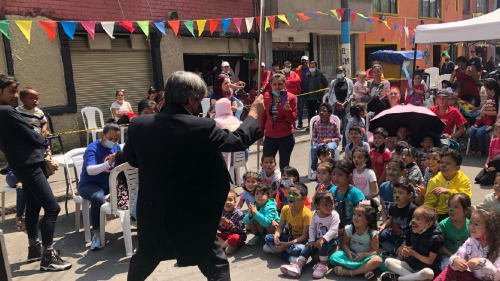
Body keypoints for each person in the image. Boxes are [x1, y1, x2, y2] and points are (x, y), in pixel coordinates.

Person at [123, 71, 265, 281]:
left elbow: (132, 159)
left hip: (154, 211)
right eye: (199, 100)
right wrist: (254, 112)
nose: (199, 106)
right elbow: (238, 140)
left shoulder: (139, 125)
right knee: (215, 264)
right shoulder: (202, 127)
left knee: (146, 256)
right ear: (190, 99)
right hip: (193, 214)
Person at [0, 75, 71, 271]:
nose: (15, 95)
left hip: (20, 164)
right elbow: (33, 134)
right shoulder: (7, 112)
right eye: (11, 91)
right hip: (29, 165)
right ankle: (48, 256)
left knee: (33, 205)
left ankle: (34, 247)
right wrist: (44, 141)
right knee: (52, 208)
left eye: (16, 91)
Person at [78, 122, 121, 250]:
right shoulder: (93, 148)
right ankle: (97, 232)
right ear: (103, 135)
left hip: (108, 183)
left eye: (116, 139)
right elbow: (90, 170)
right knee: (97, 197)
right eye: (110, 138)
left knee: (131, 188)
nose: (113, 142)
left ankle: (134, 220)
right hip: (89, 184)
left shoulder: (116, 147)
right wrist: (109, 163)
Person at [279, 190, 340, 279]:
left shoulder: (334, 215)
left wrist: (323, 239)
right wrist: (311, 240)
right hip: (317, 239)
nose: (329, 207)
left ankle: (323, 265)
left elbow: (333, 230)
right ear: (318, 206)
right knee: (307, 247)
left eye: (331, 203)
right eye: (326, 205)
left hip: (331, 241)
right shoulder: (315, 214)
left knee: (323, 245)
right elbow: (311, 228)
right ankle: (298, 267)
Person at [434, 209, 500, 281]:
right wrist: (456, 261)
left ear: (490, 228)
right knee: (450, 268)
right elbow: (456, 255)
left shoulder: (498, 247)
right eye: (471, 222)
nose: (470, 227)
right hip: (472, 277)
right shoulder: (471, 241)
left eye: (476, 224)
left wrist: (481, 262)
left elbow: (497, 276)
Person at [382, 206, 443, 281]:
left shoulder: (436, 239)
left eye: (418, 219)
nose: (413, 221)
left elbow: (430, 261)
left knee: (428, 273)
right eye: (413, 217)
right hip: (412, 266)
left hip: (427, 269)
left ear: (429, 224)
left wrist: (414, 254)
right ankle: (412, 278)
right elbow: (408, 250)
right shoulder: (411, 232)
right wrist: (406, 252)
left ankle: (399, 279)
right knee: (388, 261)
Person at [329, 204, 383, 279]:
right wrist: (348, 252)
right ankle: (365, 269)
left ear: (367, 220)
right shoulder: (349, 229)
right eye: (354, 214)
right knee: (335, 256)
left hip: (365, 258)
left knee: (377, 260)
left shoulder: (372, 233)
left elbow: (374, 251)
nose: (355, 217)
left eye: (359, 215)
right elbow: (345, 244)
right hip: (351, 257)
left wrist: (364, 254)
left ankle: (350, 272)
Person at [263, 182, 313, 262]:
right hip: (290, 238)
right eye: (289, 193)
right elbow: (280, 227)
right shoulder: (285, 209)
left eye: (295, 194)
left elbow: (304, 237)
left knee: (299, 249)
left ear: (303, 199)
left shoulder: (307, 214)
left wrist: (286, 245)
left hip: (301, 242)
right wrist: (276, 237)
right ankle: (288, 257)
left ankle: (276, 250)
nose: (290, 196)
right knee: (268, 238)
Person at [260, 73, 298, 170]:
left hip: (285, 136)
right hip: (270, 136)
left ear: (285, 84)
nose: (277, 87)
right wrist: (260, 134)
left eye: (280, 84)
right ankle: (268, 184)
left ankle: (283, 184)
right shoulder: (266, 97)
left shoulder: (291, 97)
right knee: (267, 164)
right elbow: (263, 116)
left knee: (284, 165)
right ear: (271, 85)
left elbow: (292, 120)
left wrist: (287, 109)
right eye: (275, 84)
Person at [424, 149, 471, 222]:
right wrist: (429, 214)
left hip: (458, 212)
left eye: (448, 163)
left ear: (457, 168)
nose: (443, 165)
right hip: (440, 214)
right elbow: (429, 202)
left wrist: (449, 191)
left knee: (471, 212)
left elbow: (466, 198)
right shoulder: (434, 181)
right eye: (441, 162)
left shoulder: (463, 179)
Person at [378, 178, 416, 258]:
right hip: (394, 235)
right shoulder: (393, 206)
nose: (397, 195)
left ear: (410, 194)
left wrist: (404, 244)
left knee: (399, 258)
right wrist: (383, 226)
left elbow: (414, 231)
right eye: (395, 192)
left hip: (405, 239)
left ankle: (395, 251)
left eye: (401, 193)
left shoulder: (413, 210)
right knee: (376, 234)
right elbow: (391, 220)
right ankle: (393, 250)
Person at [330, 160, 365, 241]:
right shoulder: (332, 191)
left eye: (340, 175)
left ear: (349, 176)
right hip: (334, 226)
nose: (335, 178)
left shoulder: (356, 194)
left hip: (351, 229)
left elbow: (363, 218)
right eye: (333, 174)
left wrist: (340, 231)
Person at [439, 193, 471, 270]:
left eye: (456, 207)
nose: (451, 209)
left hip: (466, 258)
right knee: (447, 269)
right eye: (449, 206)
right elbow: (440, 246)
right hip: (447, 256)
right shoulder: (443, 225)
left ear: (466, 210)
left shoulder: (471, 226)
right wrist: (453, 257)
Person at [309, 103, 341, 179]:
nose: (321, 112)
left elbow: (338, 138)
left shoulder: (333, 123)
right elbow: (313, 137)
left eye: (324, 110)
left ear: (329, 113)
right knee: (313, 149)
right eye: (320, 110)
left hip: (331, 142)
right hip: (320, 143)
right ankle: (315, 170)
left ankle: (330, 168)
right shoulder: (316, 124)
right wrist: (318, 140)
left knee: (330, 148)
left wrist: (329, 140)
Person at [469, 81, 500, 157]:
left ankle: (482, 150)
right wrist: (475, 109)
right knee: (470, 131)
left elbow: (497, 113)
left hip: (493, 122)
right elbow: (482, 106)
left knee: (480, 131)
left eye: (487, 90)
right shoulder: (489, 98)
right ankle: (475, 148)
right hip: (483, 120)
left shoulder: (498, 101)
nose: (486, 92)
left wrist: (485, 112)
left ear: (492, 90)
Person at [329, 66, 355, 148]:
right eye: (338, 71)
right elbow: (331, 95)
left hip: (346, 108)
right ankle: (334, 144)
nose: (340, 73)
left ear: (344, 71)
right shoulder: (333, 83)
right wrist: (337, 103)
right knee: (335, 127)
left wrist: (346, 102)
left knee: (346, 126)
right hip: (336, 108)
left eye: (341, 71)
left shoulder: (349, 82)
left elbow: (352, 94)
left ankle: (345, 144)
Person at [218, 190, 246, 255]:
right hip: (225, 236)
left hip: (238, 236)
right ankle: (229, 246)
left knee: (234, 238)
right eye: (225, 200)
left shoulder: (239, 213)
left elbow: (240, 229)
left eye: (230, 200)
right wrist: (222, 224)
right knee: (212, 236)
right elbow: (220, 229)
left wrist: (229, 224)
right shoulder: (221, 212)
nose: (227, 202)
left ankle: (220, 247)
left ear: (235, 202)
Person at [305, 61, 329, 130]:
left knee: (320, 112)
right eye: (310, 67)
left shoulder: (321, 74)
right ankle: (311, 126)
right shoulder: (307, 75)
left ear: (316, 67)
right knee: (310, 113)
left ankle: (320, 125)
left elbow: (325, 84)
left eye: (313, 67)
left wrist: (321, 92)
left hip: (318, 97)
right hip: (309, 98)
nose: (311, 68)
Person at [295, 56, 309, 129]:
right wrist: (297, 91)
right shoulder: (297, 70)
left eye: (305, 60)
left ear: (308, 61)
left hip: (309, 93)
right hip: (300, 93)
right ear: (301, 61)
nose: (304, 62)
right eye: (303, 60)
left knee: (310, 108)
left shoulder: (311, 69)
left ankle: (311, 123)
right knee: (300, 109)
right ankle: (300, 123)